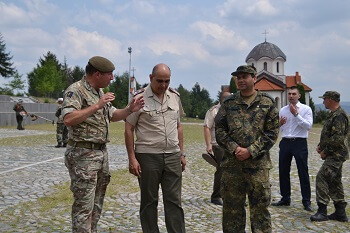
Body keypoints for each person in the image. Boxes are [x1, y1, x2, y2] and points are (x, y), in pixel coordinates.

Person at [62, 56, 144, 233]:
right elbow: (68, 119)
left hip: (100, 154)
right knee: (84, 205)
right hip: (82, 155)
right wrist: (96, 106)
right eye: (110, 74)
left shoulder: (98, 91)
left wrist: (130, 109)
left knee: (96, 204)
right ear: (97, 74)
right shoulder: (76, 90)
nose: (112, 78)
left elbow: (113, 115)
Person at [215, 65, 280, 233]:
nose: (241, 80)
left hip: (258, 168)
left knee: (260, 212)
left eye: (245, 76)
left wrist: (251, 150)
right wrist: (234, 148)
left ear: (254, 78)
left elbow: (272, 132)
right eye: (238, 77)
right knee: (232, 212)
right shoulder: (229, 103)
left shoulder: (267, 103)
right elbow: (220, 130)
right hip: (232, 166)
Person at [125, 63, 186, 233]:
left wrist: (182, 153)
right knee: (149, 201)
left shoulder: (174, 96)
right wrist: (132, 158)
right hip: (148, 156)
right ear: (150, 78)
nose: (164, 85)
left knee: (174, 201)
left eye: (167, 81)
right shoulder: (139, 98)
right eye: (160, 81)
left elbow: (179, 126)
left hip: (173, 156)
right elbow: (129, 128)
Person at [272, 86, 313, 211]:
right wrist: (279, 124)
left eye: (294, 94)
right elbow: (277, 128)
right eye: (289, 94)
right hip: (285, 142)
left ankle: (306, 201)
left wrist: (296, 115)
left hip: (299, 142)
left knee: (303, 172)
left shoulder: (306, 109)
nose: (291, 96)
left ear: (299, 96)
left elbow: (308, 126)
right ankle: (285, 198)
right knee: (283, 171)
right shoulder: (283, 110)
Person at [310, 91, 349, 222]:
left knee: (322, 177)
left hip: (336, 154)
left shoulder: (340, 116)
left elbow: (338, 138)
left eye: (325, 99)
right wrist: (321, 145)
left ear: (331, 100)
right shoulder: (334, 114)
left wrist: (325, 150)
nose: (323, 101)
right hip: (334, 153)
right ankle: (340, 212)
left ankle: (322, 211)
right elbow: (329, 134)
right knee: (334, 181)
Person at [203, 91, 231, 206]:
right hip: (218, 145)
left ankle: (229, 195)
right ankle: (216, 196)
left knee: (232, 171)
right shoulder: (213, 111)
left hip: (230, 145)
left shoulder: (232, 110)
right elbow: (207, 127)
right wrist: (209, 144)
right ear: (223, 100)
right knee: (221, 170)